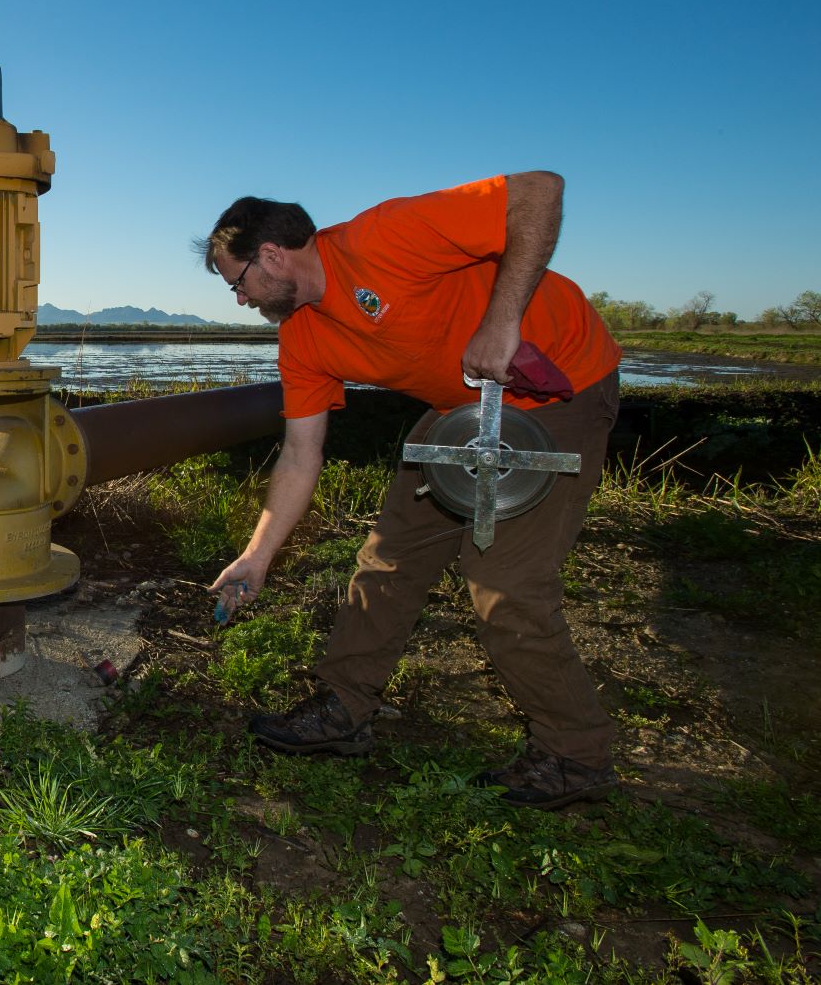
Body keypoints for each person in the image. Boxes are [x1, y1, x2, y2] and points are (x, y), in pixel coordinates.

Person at [199, 172, 622, 809]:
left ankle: (575, 755)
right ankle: (345, 706)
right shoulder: (303, 337)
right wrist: (257, 556)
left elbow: (539, 190)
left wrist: (502, 321)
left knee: (503, 580)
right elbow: (299, 454)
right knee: (390, 555)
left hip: (561, 385)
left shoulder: (383, 239)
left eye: (238, 283)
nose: (240, 300)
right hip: (466, 404)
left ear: (271, 255)